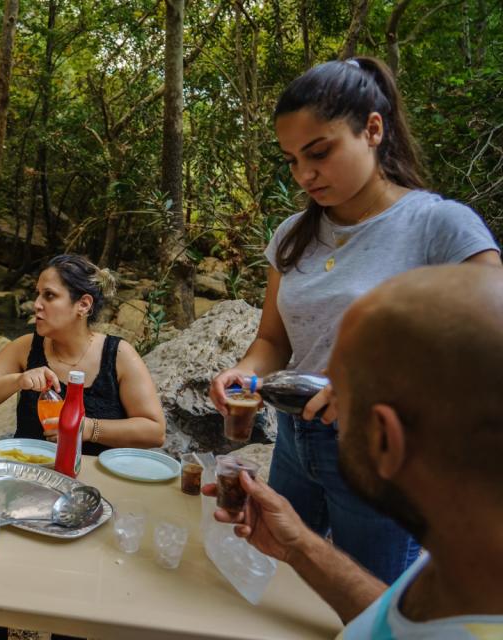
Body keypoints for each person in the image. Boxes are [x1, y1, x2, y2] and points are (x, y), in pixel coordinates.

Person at [209, 57, 501, 583]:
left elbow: (490, 351)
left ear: (372, 129)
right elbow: (273, 339)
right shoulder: (294, 233)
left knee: (370, 599)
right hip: (295, 442)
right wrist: (245, 374)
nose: (304, 174)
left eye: (319, 152)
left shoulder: (439, 225)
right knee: (280, 585)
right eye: (292, 160)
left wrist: (375, 389)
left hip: (384, 458)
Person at [205, 264, 503, 638]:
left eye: (336, 398)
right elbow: (395, 623)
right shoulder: (464, 567)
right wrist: (301, 547)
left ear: (384, 438)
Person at [0, 254, 165, 455]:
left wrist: (88, 429)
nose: (37, 304)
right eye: (38, 294)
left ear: (83, 304)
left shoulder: (119, 354)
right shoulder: (26, 346)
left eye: (49, 295)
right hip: (29, 470)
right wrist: (17, 380)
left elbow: (154, 432)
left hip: (94, 480)